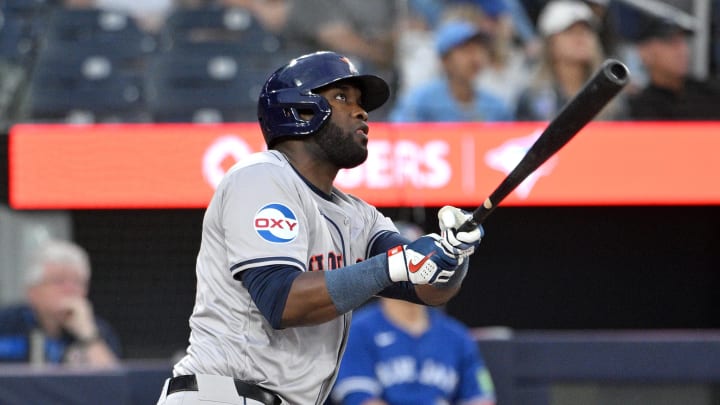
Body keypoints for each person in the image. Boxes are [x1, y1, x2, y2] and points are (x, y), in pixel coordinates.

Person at [155, 50, 485, 405]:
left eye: (361, 103)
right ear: (300, 110)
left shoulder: (358, 214)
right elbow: (281, 300)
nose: (361, 112)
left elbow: (425, 289)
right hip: (225, 395)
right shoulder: (261, 177)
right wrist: (396, 263)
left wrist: (452, 253)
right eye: (343, 98)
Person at [330, 222, 496, 405]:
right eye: (409, 256)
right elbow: (359, 399)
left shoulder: (456, 335)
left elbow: (481, 397)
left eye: (426, 255)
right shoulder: (359, 330)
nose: (417, 265)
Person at [0, 239, 121, 366]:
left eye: (78, 282)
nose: (70, 290)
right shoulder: (5, 324)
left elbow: (112, 382)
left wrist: (87, 335)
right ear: (32, 291)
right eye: (58, 281)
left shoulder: (98, 331)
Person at [514, 0, 626, 121]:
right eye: (570, 32)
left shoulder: (611, 98)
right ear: (551, 43)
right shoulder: (533, 98)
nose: (580, 38)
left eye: (586, 31)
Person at [390, 19, 513, 122]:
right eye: (466, 51)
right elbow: (399, 137)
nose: (475, 58)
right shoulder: (420, 101)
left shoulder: (496, 106)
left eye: (478, 50)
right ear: (445, 60)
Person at [628, 16, 720, 120]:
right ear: (646, 52)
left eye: (684, 42)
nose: (683, 50)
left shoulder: (710, 91)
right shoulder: (641, 108)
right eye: (671, 43)